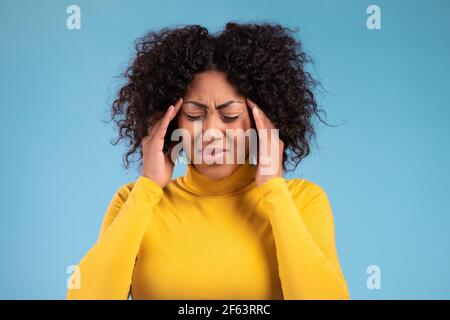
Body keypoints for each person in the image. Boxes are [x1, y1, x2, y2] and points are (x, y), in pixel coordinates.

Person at [66, 22, 350, 300]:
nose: (211, 131)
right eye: (193, 114)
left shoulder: (302, 201)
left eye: (229, 115)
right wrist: (148, 187)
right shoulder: (133, 201)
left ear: (260, 119)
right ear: (171, 121)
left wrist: (273, 189)